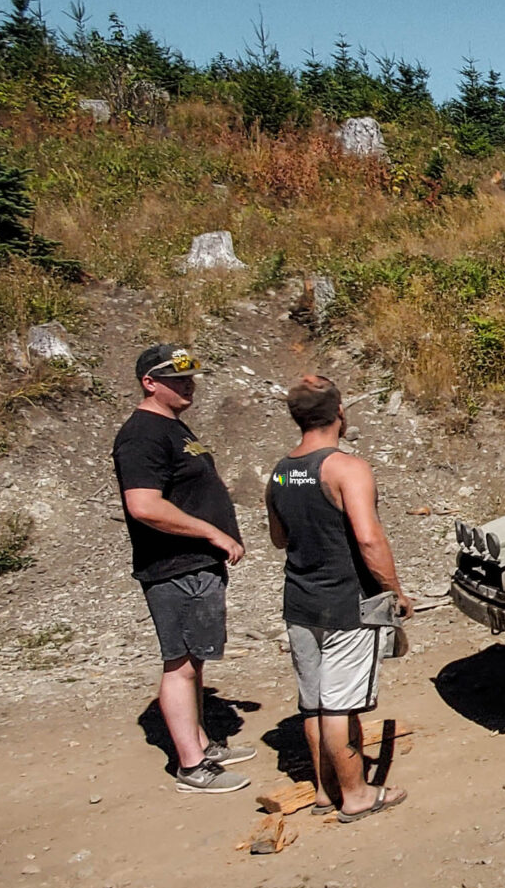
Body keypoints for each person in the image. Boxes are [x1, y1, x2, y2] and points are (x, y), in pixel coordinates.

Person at [265, 375, 410, 822]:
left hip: (301, 599)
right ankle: (357, 795)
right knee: (339, 703)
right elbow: (368, 540)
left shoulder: (282, 470)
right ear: (339, 412)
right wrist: (395, 592)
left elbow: (278, 537)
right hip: (349, 601)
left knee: (313, 701)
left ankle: (326, 791)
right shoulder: (347, 468)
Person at [114, 343, 256, 793]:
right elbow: (143, 505)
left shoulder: (171, 428)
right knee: (180, 663)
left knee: (194, 659)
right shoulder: (142, 434)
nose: (187, 383)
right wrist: (211, 533)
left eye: (190, 376)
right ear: (149, 383)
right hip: (175, 566)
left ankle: (202, 744)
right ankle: (192, 767)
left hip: (194, 564)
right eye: (176, 378)